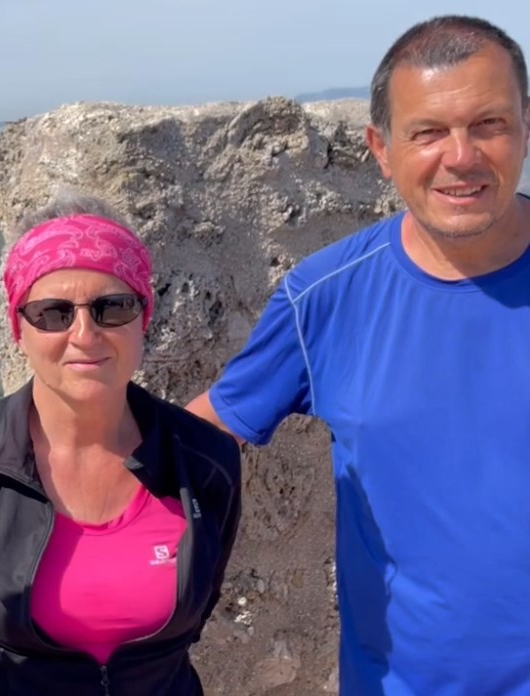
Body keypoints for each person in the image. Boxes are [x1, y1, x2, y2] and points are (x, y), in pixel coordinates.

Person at [185, 14, 530, 696]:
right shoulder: (324, 298)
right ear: (381, 148)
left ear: (524, 127)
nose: (460, 156)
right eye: (427, 132)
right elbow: (197, 438)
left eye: (487, 124)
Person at [0, 194, 241, 695]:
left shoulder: (207, 461)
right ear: (19, 327)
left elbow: (200, 603)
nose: (85, 334)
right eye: (53, 313)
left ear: (144, 317)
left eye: (112, 307)